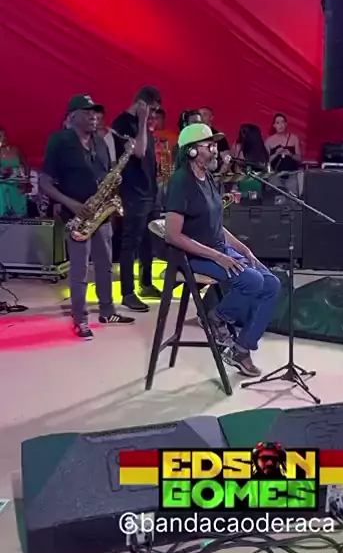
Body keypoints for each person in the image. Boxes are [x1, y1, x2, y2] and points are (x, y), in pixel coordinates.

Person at [163, 122, 281, 377]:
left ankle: (241, 348)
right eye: (209, 145)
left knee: (272, 284)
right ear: (192, 151)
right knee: (252, 281)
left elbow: (216, 226)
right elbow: (173, 235)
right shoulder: (181, 182)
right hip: (193, 255)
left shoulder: (209, 179)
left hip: (218, 248)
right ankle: (215, 317)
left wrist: (243, 249)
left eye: (215, 145)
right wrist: (218, 256)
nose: (216, 150)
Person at [40, 94, 135, 339]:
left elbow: (103, 174)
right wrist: (71, 203)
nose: (94, 116)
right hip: (77, 215)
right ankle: (80, 319)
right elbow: (45, 182)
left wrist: (113, 182)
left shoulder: (100, 142)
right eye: (87, 112)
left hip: (101, 212)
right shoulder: (60, 141)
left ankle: (107, 311)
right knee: (80, 271)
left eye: (95, 112)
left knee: (105, 267)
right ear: (72, 116)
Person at [111, 86, 163, 312]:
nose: (153, 115)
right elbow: (138, 151)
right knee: (130, 242)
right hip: (134, 192)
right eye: (152, 109)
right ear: (141, 103)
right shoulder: (122, 123)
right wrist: (142, 122)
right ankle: (127, 292)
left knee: (148, 241)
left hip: (149, 191)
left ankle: (146, 283)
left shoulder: (145, 126)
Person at [265, 113, 302, 196]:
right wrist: (276, 153)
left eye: (282, 122)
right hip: (275, 176)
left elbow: (300, 159)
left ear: (286, 124)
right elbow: (265, 161)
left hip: (291, 175)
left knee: (293, 199)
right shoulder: (269, 141)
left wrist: (290, 154)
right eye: (277, 123)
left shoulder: (294, 138)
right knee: (277, 199)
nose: (280, 125)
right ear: (274, 125)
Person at [0, 127, 30, 218]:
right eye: (0, 136)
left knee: (20, 213)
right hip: (3, 184)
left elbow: (26, 164)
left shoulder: (15, 149)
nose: (3, 138)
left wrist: (26, 180)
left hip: (17, 183)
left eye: (4, 135)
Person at [199, 106, 231, 173]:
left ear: (211, 117)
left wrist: (219, 175)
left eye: (204, 114)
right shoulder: (194, 136)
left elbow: (227, 158)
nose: (201, 117)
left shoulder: (218, 137)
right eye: (199, 115)